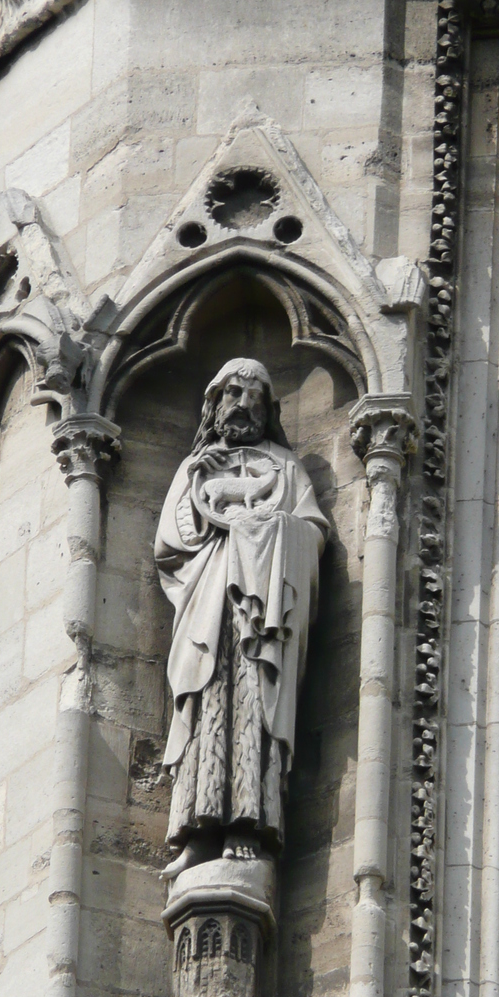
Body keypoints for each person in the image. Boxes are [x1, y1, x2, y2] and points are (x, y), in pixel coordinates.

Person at [155, 359, 328, 878]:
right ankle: (195, 831)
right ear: (215, 402)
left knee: (255, 702)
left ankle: (247, 825)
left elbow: (313, 531)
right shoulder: (195, 469)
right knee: (205, 701)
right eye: (234, 393)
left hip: (263, 613)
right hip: (208, 602)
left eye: (255, 397)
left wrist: (273, 528)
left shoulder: (285, 466)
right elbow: (172, 543)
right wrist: (207, 500)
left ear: (268, 409)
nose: (244, 405)